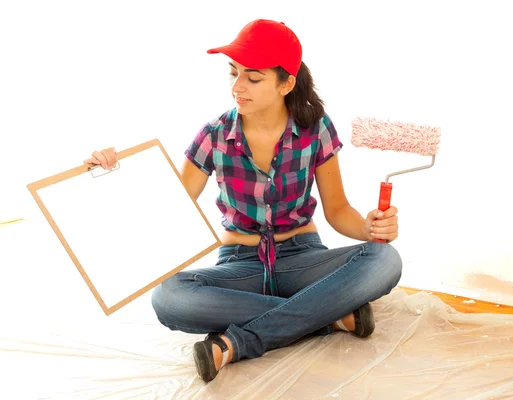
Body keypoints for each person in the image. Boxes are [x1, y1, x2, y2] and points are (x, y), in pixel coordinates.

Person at [85, 19, 402, 383]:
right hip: (240, 263)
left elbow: (338, 209)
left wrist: (368, 227)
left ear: (286, 83)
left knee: (384, 258)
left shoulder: (316, 129)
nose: (238, 87)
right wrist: (114, 171)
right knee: (169, 298)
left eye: (253, 78)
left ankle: (238, 341)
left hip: (303, 257)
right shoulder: (214, 134)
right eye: (233, 73)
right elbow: (169, 208)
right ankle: (326, 316)